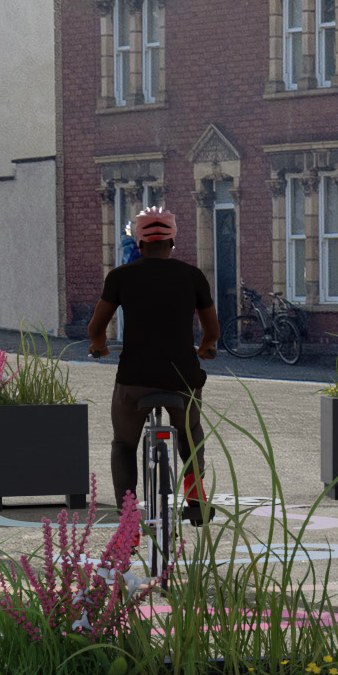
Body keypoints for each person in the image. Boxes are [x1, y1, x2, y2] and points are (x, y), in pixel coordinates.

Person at [88, 207, 218, 521]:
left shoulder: (120, 277)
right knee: (190, 433)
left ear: (140, 244)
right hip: (182, 379)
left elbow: (96, 328)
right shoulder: (192, 276)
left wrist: (100, 347)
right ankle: (197, 503)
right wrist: (205, 348)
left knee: (123, 444)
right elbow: (212, 331)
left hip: (135, 380)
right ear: (172, 241)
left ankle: (128, 516)